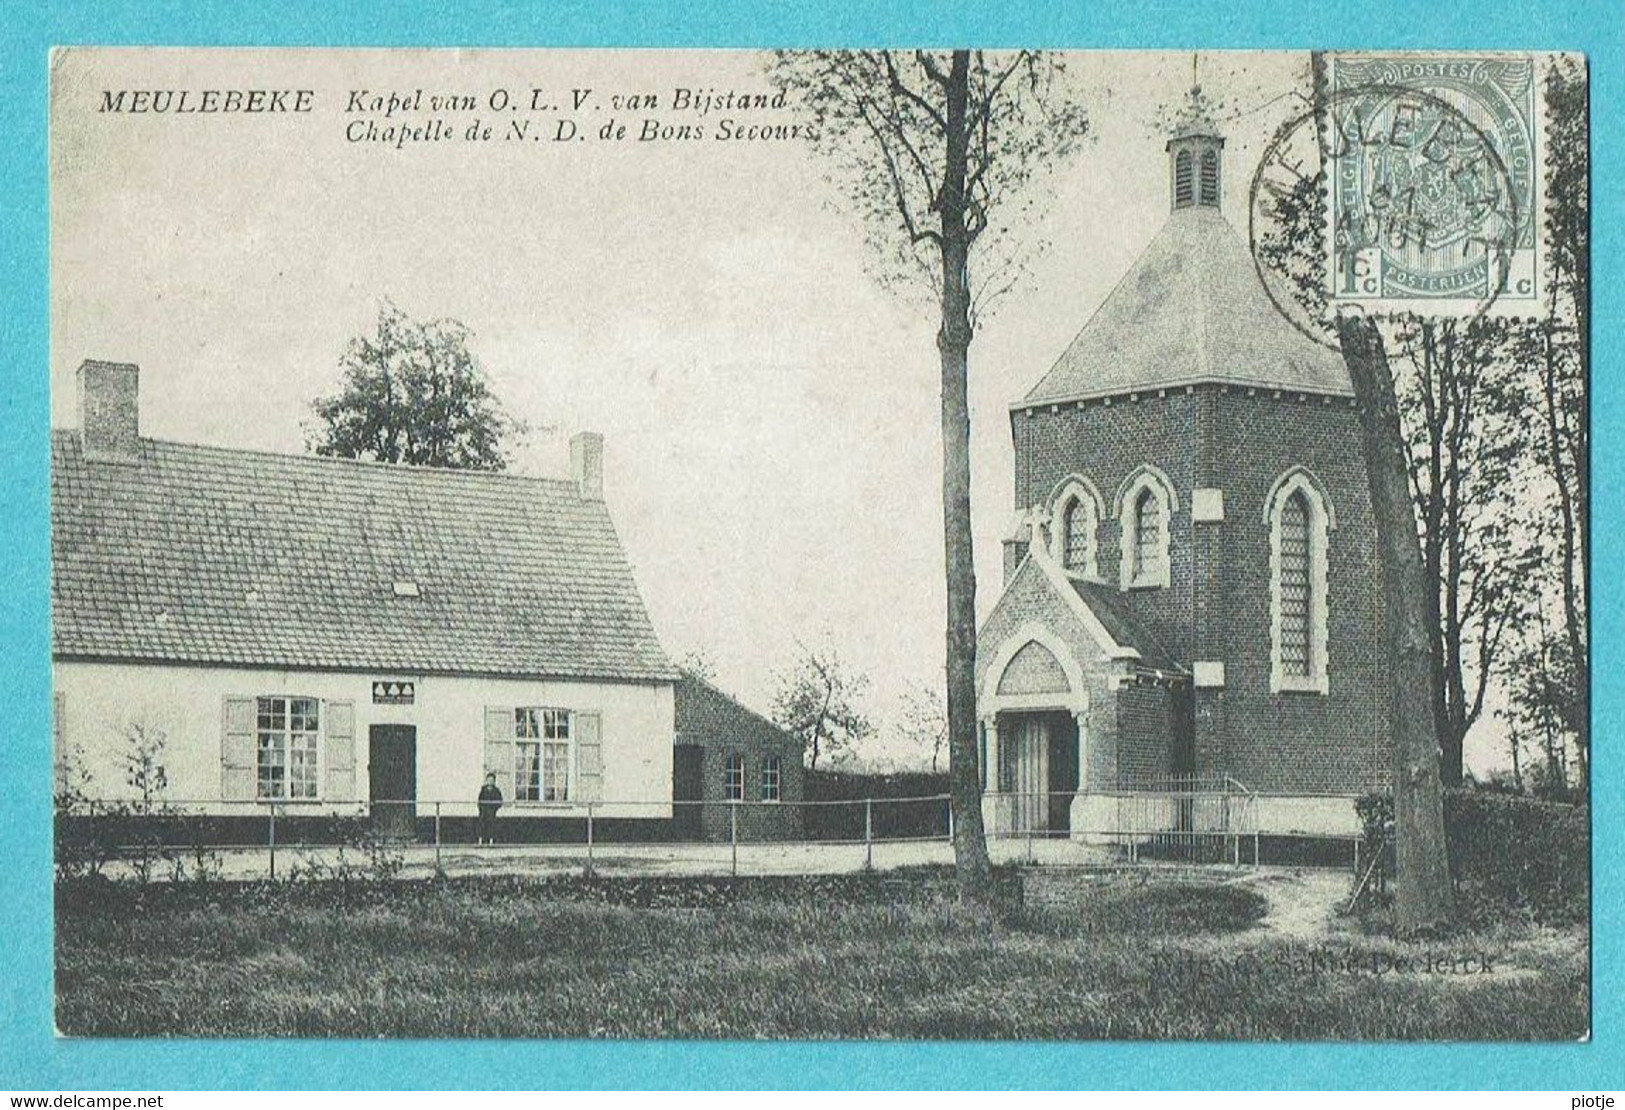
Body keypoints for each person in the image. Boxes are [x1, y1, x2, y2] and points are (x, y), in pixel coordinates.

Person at [477, 772, 503, 845]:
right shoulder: (483, 790)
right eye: (489, 779)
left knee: (491, 825)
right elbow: (480, 800)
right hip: (484, 810)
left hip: (492, 811)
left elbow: (500, 801)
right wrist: (481, 808)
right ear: (486, 780)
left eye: (492, 780)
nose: (490, 781)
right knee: (482, 824)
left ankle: (491, 840)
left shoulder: (496, 791)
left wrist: (495, 808)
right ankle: (480, 839)